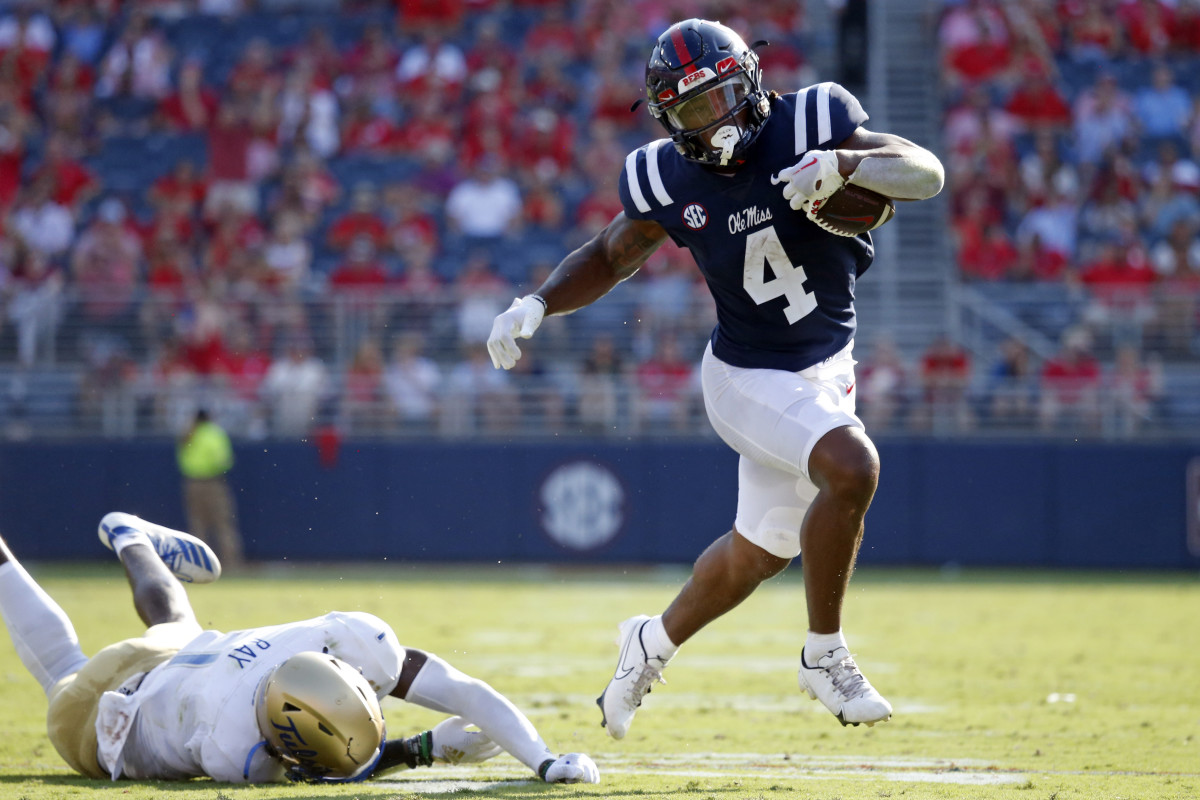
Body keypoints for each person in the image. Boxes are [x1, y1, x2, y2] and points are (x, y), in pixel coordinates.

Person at [487, 19, 943, 737]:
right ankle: (824, 654)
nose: (715, 121)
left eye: (721, 98)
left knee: (760, 551)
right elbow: (612, 255)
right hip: (746, 376)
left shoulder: (814, 120)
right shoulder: (665, 175)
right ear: (669, 120)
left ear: (752, 83)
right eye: (693, 111)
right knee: (852, 468)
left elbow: (925, 172)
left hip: (827, 367)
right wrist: (538, 302)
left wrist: (845, 169)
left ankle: (650, 643)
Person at [0, 512, 599, 785]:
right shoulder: (235, 753)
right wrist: (417, 749)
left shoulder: (329, 644)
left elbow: (464, 692)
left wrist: (544, 760)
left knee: (173, 619)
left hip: (187, 662)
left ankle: (132, 537)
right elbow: (328, 771)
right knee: (64, 675)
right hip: (116, 717)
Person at [177, 409, 244, 570]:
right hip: (213, 483)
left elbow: (182, 459)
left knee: (197, 524)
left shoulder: (188, 434)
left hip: (192, 483)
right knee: (223, 524)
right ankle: (230, 563)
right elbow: (223, 460)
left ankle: (199, 564)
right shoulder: (214, 433)